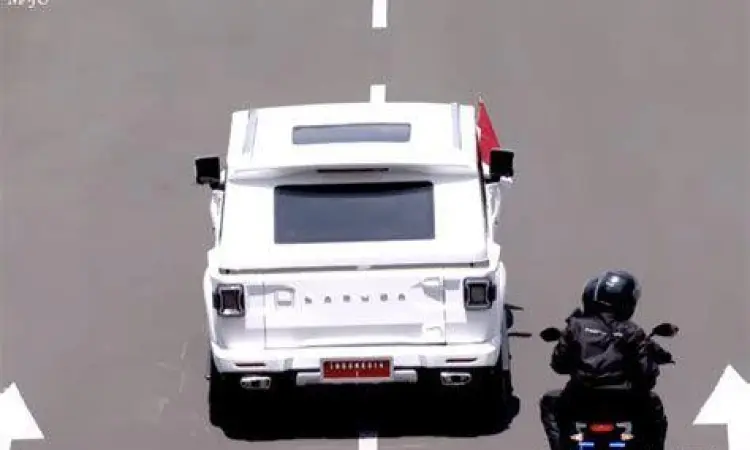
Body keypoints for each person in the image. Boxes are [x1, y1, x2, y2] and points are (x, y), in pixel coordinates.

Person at [539, 270, 668, 450]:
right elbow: (647, 376)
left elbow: (559, 365)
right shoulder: (633, 332)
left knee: (549, 403)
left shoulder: (576, 326)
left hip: (580, 400)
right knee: (653, 406)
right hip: (625, 404)